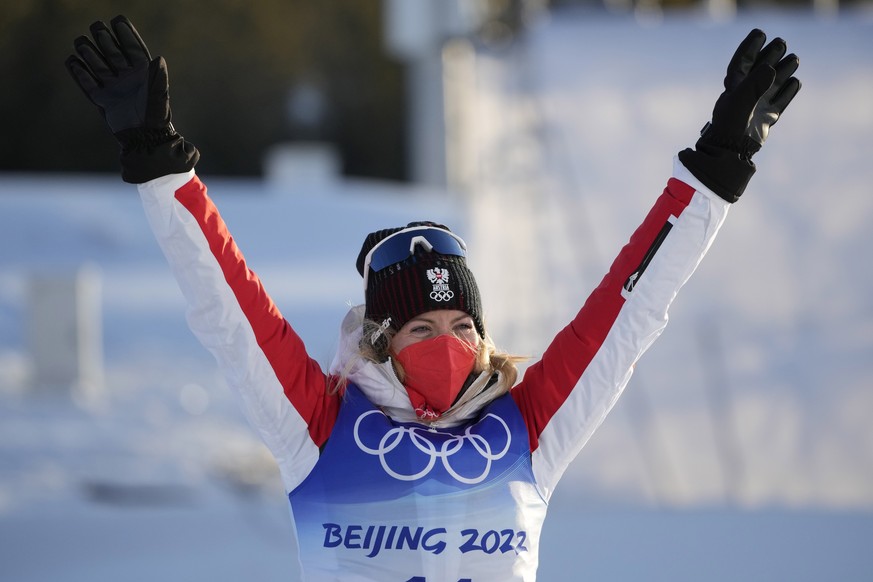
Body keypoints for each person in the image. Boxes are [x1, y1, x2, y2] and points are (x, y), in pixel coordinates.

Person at [65, 15, 800, 582]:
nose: (446, 341)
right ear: (381, 337)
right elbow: (229, 309)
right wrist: (162, 169)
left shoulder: (531, 429)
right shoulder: (318, 427)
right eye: (420, 324)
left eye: (460, 323)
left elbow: (629, 309)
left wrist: (713, 173)